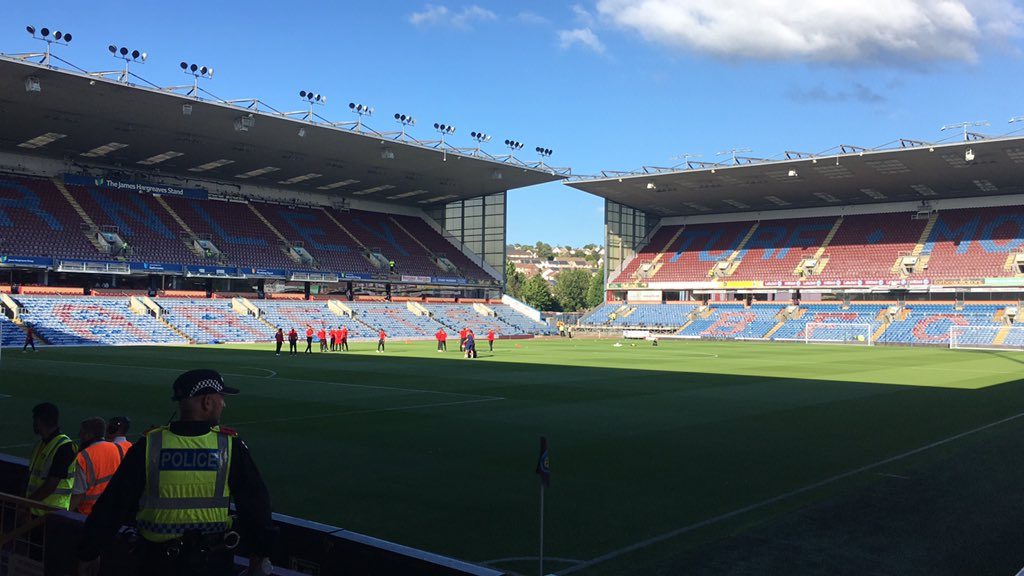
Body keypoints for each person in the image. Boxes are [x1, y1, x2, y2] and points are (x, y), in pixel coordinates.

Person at [77, 369, 276, 576]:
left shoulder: (149, 445)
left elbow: (113, 505)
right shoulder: (230, 446)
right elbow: (256, 507)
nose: (223, 404)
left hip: (154, 563)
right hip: (211, 564)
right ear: (207, 402)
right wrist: (260, 557)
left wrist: (89, 552)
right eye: (221, 398)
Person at [25, 402, 76, 516]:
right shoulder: (43, 444)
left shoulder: (64, 447)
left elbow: (50, 485)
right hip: (39, 511)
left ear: (38, 421)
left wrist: (25, 505)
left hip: (51, 514)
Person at [70, 417, 123, 516]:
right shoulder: (117, 448)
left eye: (82, 432)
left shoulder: (83, 457)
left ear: (89, 435)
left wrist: (64, 514)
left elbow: (78, 494)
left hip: (86, 514)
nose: (79, 435)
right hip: (111, 510)